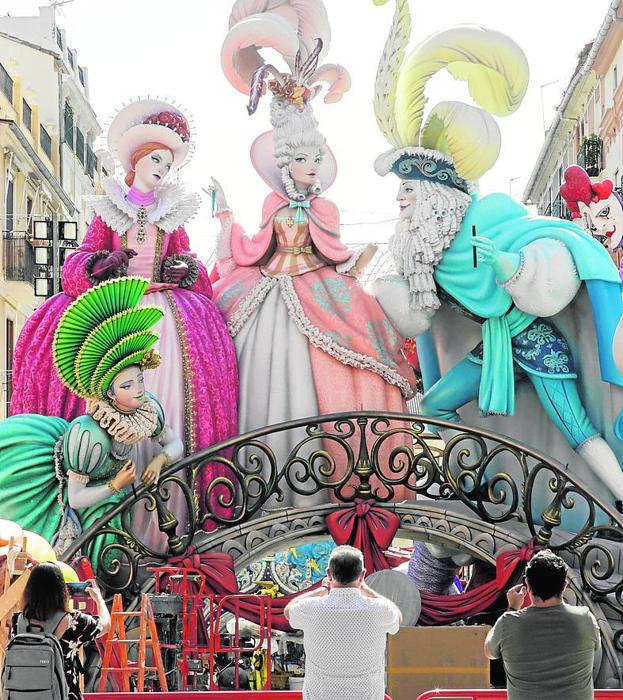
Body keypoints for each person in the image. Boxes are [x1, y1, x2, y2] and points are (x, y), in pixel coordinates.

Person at [213, 1, 415, 506]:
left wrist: (355, 264)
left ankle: (336, 475)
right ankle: (261, 485)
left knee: (345, 369)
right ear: (285, 164)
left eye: (313, 158)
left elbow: (332, 251)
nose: (308, 166)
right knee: (258, 371)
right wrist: (225, 221)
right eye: (300, 159)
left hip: (316, 288)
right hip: (268, 291)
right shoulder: (272, 204)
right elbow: (254, 248)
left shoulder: (323, 206)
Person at [9, 98, 239, 519]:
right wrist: (101, 265)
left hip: (165, 301)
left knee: (199, 349)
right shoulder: (109, 208)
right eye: (156, 159)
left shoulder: (172, 212)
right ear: (135, 160)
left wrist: (183, 266)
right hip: (115, 303)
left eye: (168, 165)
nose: (162, 170)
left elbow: (187, 258)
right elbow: (81, 258)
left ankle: (173, 501)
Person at [0, 277, 183, 566]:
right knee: (98, 554)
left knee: (114, 548)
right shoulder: (89, 436)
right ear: (109, 394)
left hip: (112, 495)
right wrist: (115, 485)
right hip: (70, 494)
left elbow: (174, 443)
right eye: (127, 386)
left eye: (139, 380)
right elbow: (75, 498)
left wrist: (160, 460)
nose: (137, 389)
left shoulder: (147, 409)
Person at [284, 545, 401, 700]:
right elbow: (397, 617)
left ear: (329, 574)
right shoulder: (378, 610)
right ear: (362, 574)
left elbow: (288, 611)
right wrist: (365, 588)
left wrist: (323, 589)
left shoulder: (312, 609)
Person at [484, 550, 600, 700]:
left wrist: (512, 608)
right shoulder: (585, 619)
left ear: (527, 584)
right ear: (564, 585)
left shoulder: (509, 623)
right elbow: (595, 648)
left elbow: (489, 652)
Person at [10, 562, 111, 700]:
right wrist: (98, 598)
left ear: (29, 590)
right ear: (61, 590)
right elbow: (106, 625)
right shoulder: (74, 621)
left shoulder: (17, 621)